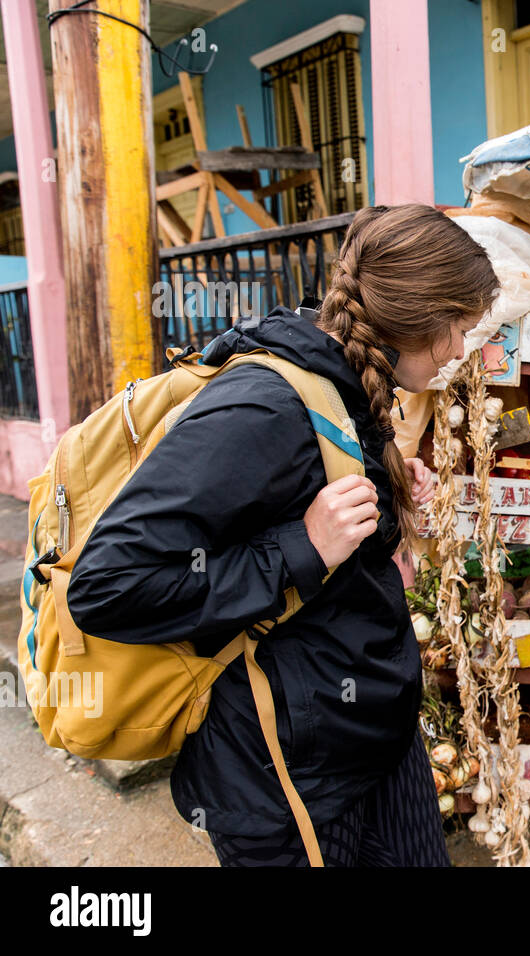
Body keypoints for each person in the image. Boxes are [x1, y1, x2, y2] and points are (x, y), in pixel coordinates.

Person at [66, 204, 499, 866]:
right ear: (417, 317)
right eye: (460, 329)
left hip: (371, 745)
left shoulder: (346, 381)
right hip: (289, 780)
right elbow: (109, 584)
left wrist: (384, 489)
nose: (463, 351)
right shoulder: (262, 409)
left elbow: (296, 491)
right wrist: (301, 548)